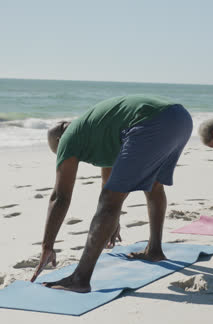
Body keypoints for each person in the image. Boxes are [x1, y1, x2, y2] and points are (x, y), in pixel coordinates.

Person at [31, 94, 193, 293]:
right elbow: (111, 183)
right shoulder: (97, 129)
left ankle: (80, 279)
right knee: (154, 186)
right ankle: (154, 250)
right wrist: (112, 222)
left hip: (151, 122)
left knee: (108, 200)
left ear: (59, 140)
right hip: (180, 119)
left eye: (59, 153)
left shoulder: (68, 138)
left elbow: (60, 197)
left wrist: (47, 245)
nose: (63, 157)